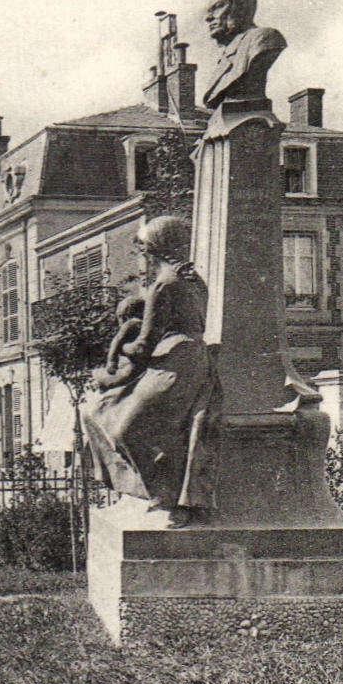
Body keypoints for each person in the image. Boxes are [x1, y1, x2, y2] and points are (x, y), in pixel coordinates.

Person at [79, 216, 220, 527]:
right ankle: (161, 494)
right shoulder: (193, 279)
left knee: (125, 429)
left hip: (172, 364)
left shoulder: (164, 284)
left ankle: (163, 497)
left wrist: (118, 348)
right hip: (188, 360)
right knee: (114, 413)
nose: (143, 255)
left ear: (156, 247)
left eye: (144, 249)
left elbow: (144, 347)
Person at [201, 0, 287, 111]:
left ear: (241, 7)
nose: (208, 18)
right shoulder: (227, 54)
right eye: (209, 11)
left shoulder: (263, 38)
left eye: (217, 7)